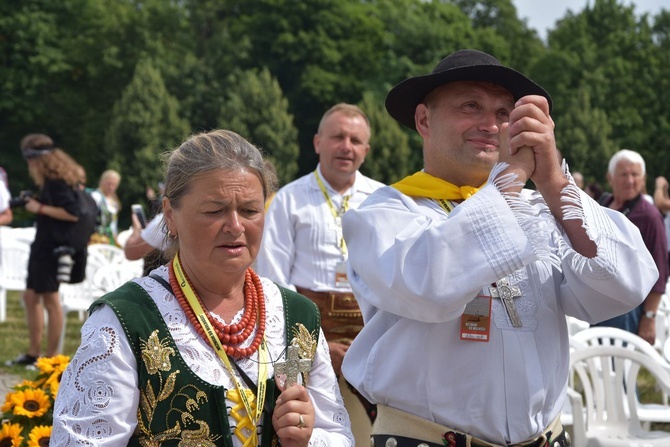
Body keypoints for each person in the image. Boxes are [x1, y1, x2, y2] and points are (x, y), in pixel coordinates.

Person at [339, 49, 658, 447]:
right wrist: (513, 178)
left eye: (505, 113)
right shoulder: (384, 214)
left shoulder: (541, 210)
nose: (491, 124)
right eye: (470, 105)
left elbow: (626, 284)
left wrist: (554, 181)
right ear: (424, 120)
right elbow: (428, 284)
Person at [52, 129, 353, 447]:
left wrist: (307, 436)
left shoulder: (294, 319)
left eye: (250, 210)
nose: (236, 226)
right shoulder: (127, 320)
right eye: (215, 211)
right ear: (170, 215)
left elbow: (338, 434)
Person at [255, 103, 384, 445]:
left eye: (356, 140)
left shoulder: (383, 200)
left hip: (370, 333)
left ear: (366, 150)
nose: (346, 147)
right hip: (299, 327)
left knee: (380, 429)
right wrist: (321, 343)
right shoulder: (288, 200)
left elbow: (395, 281)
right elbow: (272, 278)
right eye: (338, 137)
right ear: (317, 142)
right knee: (289, 417)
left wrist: (363, 347)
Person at [6, 134, 89, 366]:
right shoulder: (54, 181)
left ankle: (51, 357)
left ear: (37, 160)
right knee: (30, 296)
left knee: (51, 301)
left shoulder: (56, 182)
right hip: (43, 246)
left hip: (52, 248)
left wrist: (39, 207)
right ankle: (33, 353)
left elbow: (73, 212)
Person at [593, 149, 669, 345]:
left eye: (635, 175)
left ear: (643, 180)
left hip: (628, 309)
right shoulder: (603, 204)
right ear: (610, 178)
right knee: (597, 363)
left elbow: (660, 270)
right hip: (598, 301)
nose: (630, 180)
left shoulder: (649, 216)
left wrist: (649, 318)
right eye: (624, 174)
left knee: (620, 369)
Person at [89, 169, 122, 245]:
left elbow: (113, 224)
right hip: (94, 237)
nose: (111, 187)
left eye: (114, 185)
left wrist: (115, 237)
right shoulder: (95, 196)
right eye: (109, 184)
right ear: (101, 182)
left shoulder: (114, 202)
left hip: (108, 239)